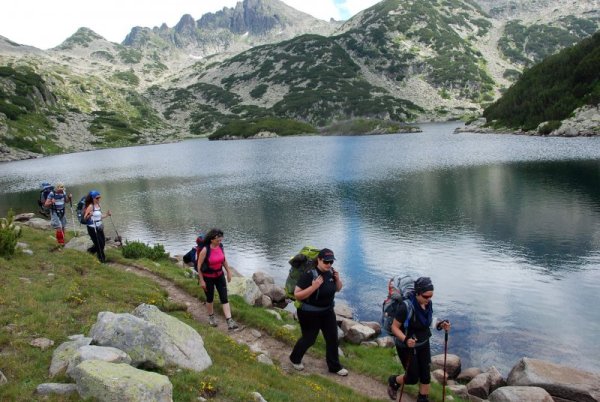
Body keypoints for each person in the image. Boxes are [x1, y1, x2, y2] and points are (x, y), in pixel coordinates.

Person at [387, 277, 451, 402]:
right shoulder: (405, 307)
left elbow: (427, 321)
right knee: (412, 377)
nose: (429, 300)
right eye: (426, 297)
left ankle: (422, 398)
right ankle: (393, 381)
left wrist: (440, 324)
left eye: (431, 297)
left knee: (426, 374)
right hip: (406, 346)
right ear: (417, 293)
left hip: (423, 343)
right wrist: (406, 340)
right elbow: (394, 327)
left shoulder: (428, 304)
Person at [289, 248, 348, 376]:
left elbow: (337, 289)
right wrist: (313, 287)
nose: (329, 264)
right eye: (326, 262)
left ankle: (334, 366)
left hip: (327, 311)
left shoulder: (331, 272)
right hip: (309, 313)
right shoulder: (309, 274)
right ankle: (295, 358)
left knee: (333, 338)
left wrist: (337, 280)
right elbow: (297, 295)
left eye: (331, 262)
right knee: (309, 339)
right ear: (319, 260)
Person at [196, 228, 239, 330]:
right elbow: (199, 266)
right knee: (210, 298)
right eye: (218, 239)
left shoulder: (221, 246)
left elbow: (223, 260)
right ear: (212, 239)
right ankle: (211, 317)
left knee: (224, 298)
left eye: (221, 238)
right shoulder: (205, 250)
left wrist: (228, 272)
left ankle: (229, 321)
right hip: (208, 278)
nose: (220, 240)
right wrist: (201, 280)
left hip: (219, 276)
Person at [82, 190, 111, 263]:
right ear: (93, 198)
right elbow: (85, 218)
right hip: (92, 227)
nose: (98, 199)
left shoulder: (98, 206)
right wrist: (89, 215)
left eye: (99, 198)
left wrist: (107, 215)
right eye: (97, 198)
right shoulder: (90, 206)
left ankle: (90, 251)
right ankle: (102, 260)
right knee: (99, 244)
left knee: (103, 243)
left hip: (99, 227)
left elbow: (100, 217)